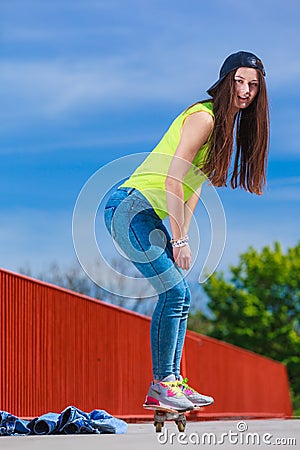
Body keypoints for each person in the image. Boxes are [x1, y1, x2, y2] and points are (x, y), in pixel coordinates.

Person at [104, 51, 270, 412]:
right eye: (239, 81)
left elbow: (193, 188)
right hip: (129, 207)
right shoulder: (204, 117)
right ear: (225, 81)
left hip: (147, 216)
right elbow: (172, 179)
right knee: (175, 293)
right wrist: (176, 239)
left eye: (253, 85)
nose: (245, 90)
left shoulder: (223, 131)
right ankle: (163, 384)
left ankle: (172, 381)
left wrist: (186, 240)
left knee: (180, 296)